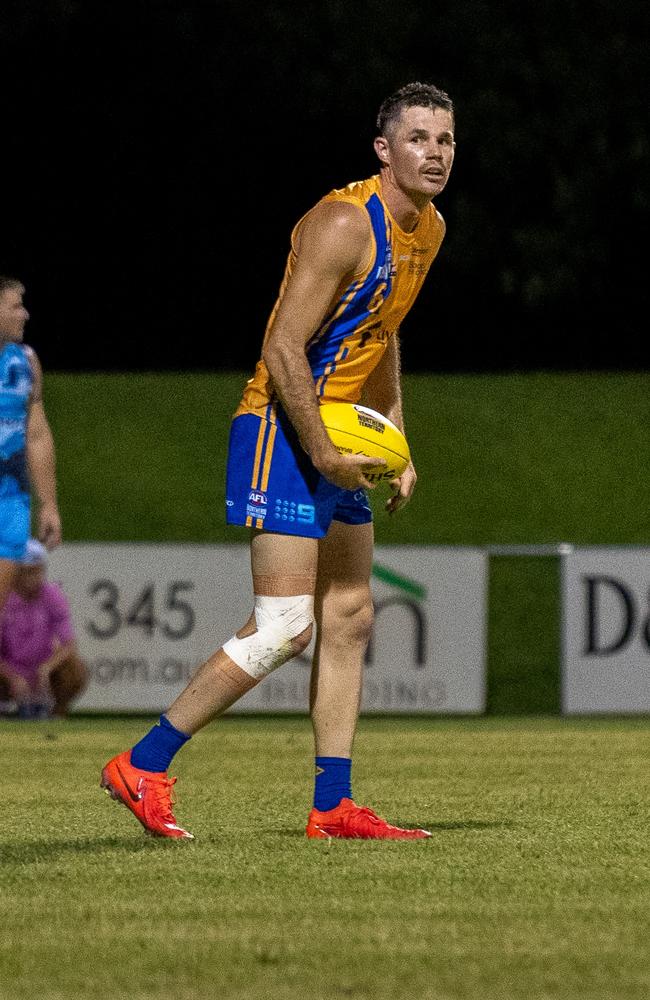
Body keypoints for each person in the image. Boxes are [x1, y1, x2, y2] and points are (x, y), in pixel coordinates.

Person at [101, 81, 456, 840]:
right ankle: (144, 764)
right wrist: (323, 451)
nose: (435, 152)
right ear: (383, 150)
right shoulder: (341, 222)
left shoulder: (428, 230)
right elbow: (281, 348)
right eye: (419, 138)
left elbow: (383, 332)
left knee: (351, 614)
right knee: (286, 626)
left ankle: (332, 807)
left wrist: (396, 436)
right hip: (282, 428)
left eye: (446, 140)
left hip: (338, 438)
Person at [0, 275, 62, 613]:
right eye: (15, 306)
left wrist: (48, 503)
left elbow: (36, 434)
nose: (25, 314)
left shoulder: (25, 362)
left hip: (10, 501)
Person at [0, 538, 87, 718]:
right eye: (28, 572)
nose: (34, 578)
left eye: (38, 571)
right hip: (7, 669)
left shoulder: (52, 595)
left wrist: (47, 668)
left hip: (41, 669)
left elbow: (68, 644)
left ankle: (55, 714)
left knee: (75, 670)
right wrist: (12, 676)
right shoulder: (3, 596)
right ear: (16, 572)